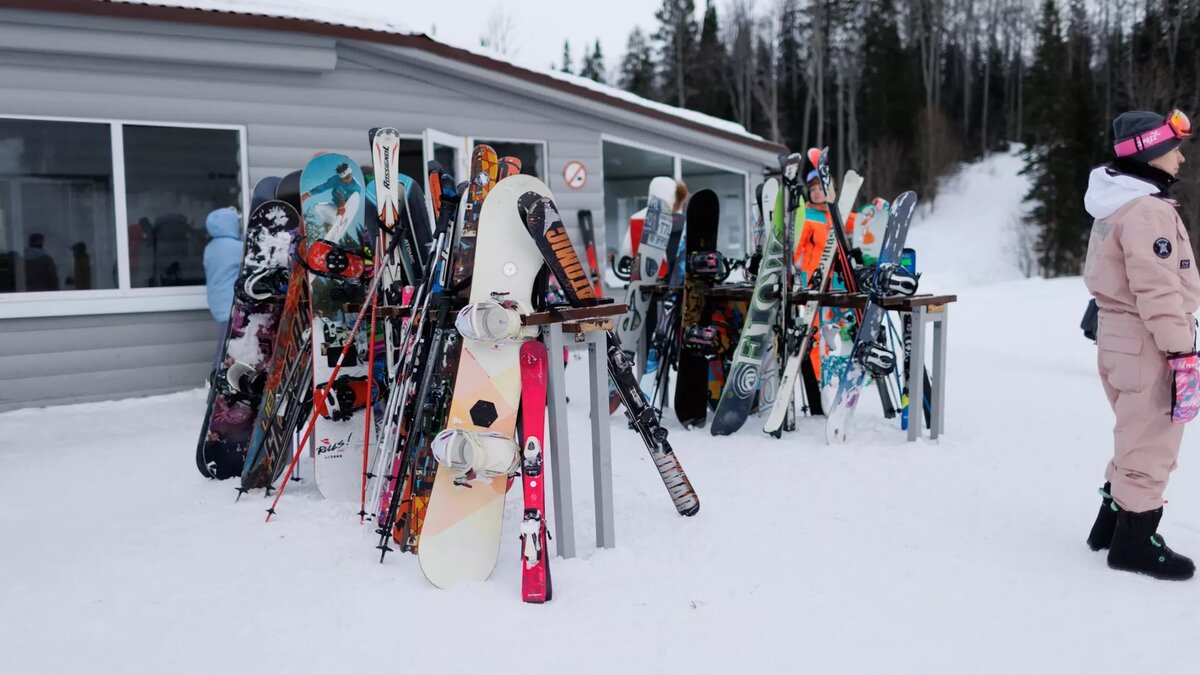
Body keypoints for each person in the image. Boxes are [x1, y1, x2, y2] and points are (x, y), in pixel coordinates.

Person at [1082, 109, 1200, 580]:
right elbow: (1156, 288)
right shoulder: (1147, 210)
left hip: (1119, 337)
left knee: (1134, 432)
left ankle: (1109, 524)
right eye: (1174, 149)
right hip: (1147, 340)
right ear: (1151, 152)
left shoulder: (1115, 202)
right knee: (1152, 439)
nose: (1181, 158)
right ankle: (1134, 543)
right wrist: (1181, 350)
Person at [204, 206, 242, 375]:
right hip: (230, 303)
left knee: (227, 341)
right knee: (226, 346)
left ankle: (224, 376)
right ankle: (216, 379)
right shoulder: (234, 247)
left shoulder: (211, 247)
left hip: (218, 301)